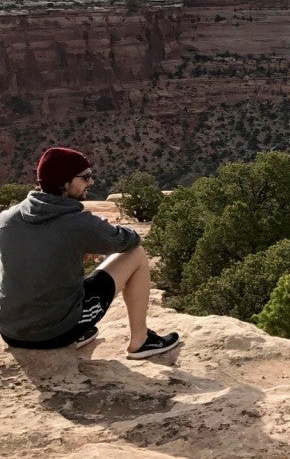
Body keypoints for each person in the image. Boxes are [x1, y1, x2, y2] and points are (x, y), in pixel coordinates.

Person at [0, 147, 181, 359]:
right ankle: (140, 341)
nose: (91, 182)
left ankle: (74, 333)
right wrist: (89, 239)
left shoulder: (7, 218)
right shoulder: (79, 224)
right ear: (64, 181)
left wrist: (76, 246)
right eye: (85, 177)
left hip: (11, 332)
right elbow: (130, 240)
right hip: (51, 334)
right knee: (137, 254)